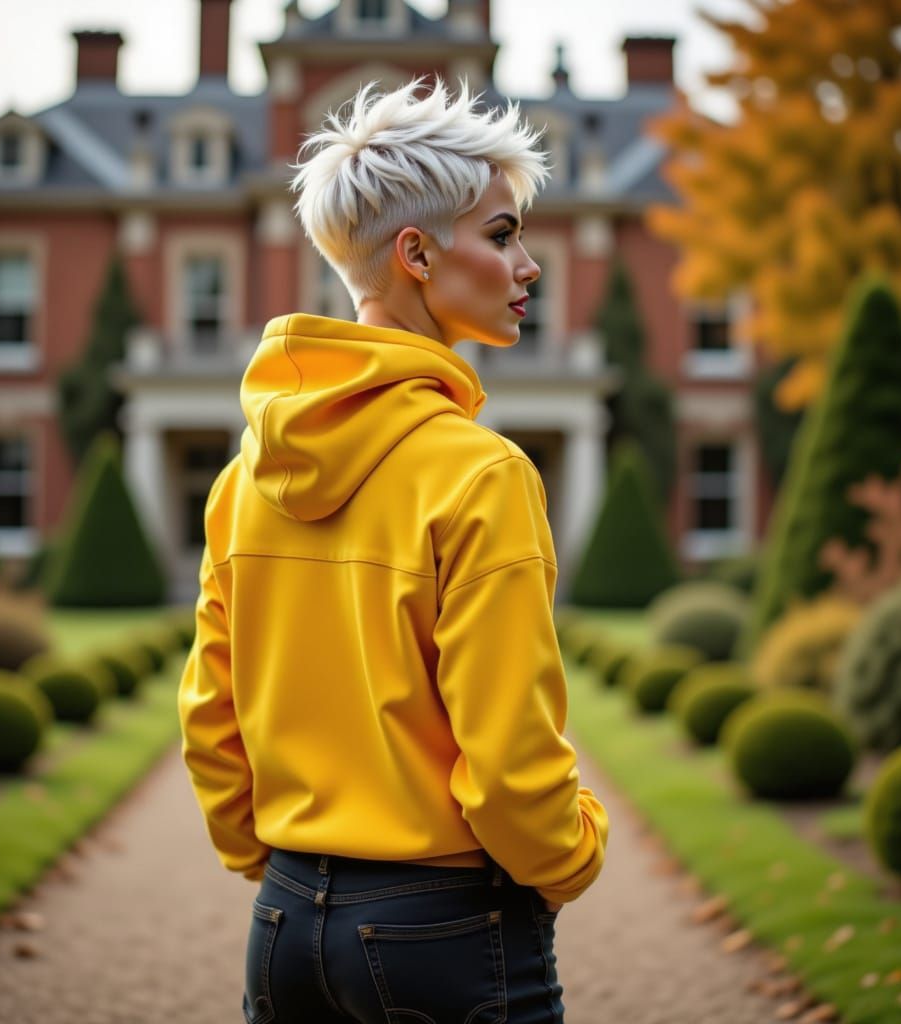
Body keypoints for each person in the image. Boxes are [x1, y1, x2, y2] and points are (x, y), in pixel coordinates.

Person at [178, 77, 609, 1024]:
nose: (529, 264)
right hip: (447, 926)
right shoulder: (482, 473)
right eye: (502, 235)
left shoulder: (244, 479)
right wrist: (572, 855)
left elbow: (213, 717)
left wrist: (277, 861)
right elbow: (509, 759)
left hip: (284, 923)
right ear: (417, 253)